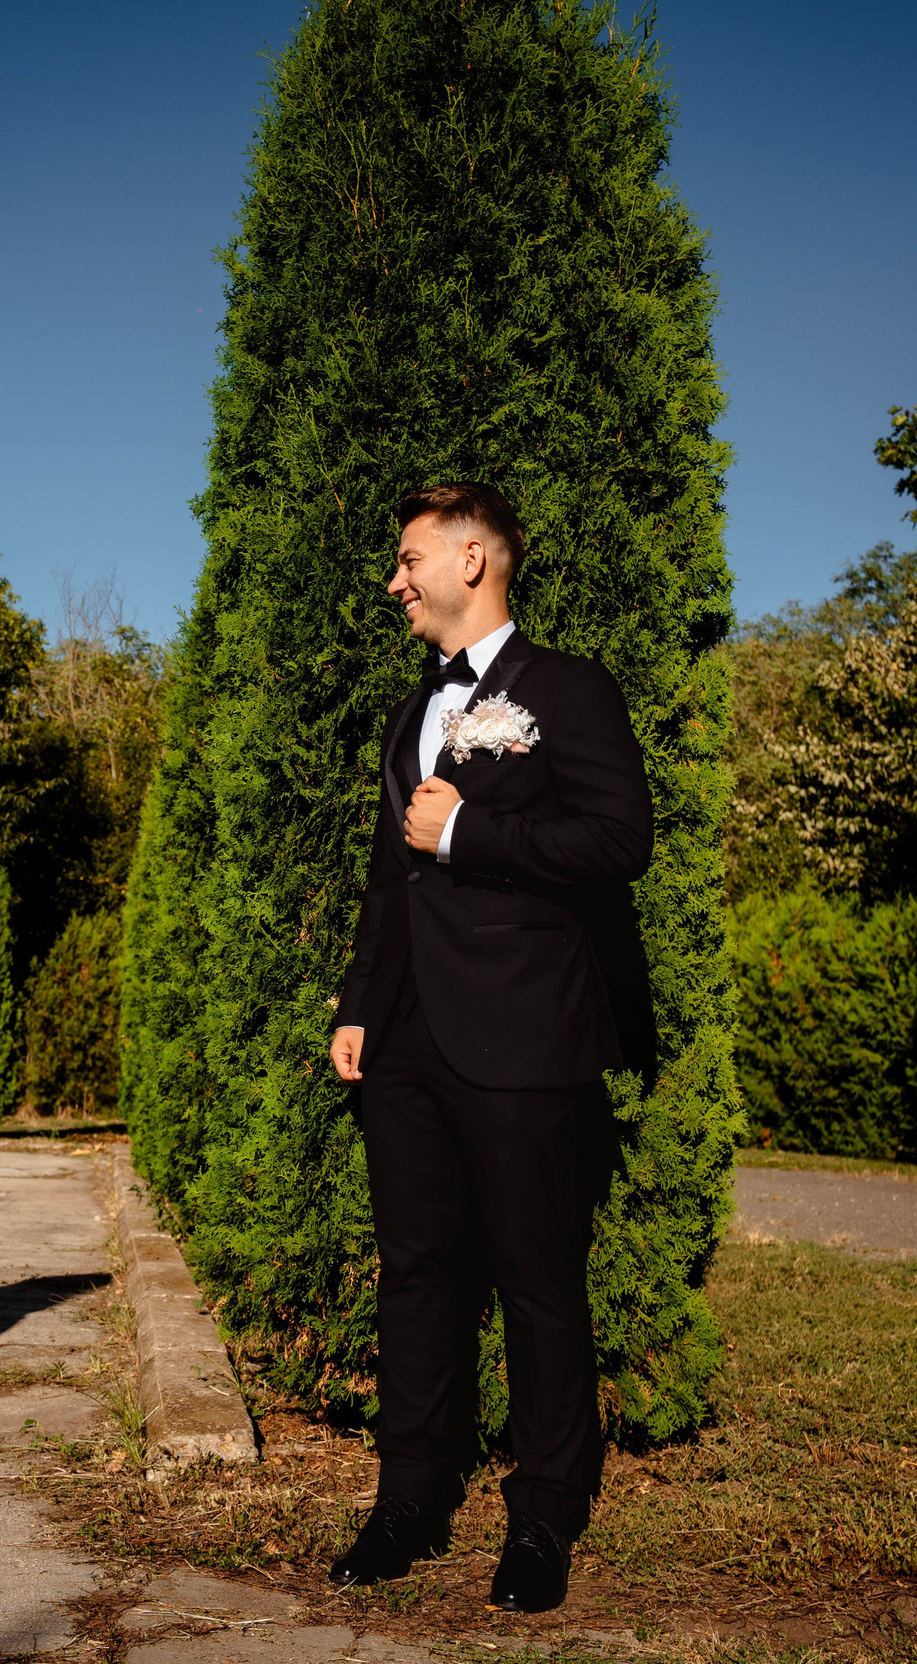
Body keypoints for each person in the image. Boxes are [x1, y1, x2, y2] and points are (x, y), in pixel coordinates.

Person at [326, 484, 654, 1612]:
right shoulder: (408, 710)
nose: (394, 579)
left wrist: (470, 829)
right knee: (416, 1275)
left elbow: (619, 840)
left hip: (524, 1033)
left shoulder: (568, 688)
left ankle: (546, 1512)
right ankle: (408, 1499)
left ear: (474, 558)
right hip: (409, 1038)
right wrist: (360, 1003)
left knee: (536, 1280)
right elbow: (387, 877)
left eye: (408, 557)